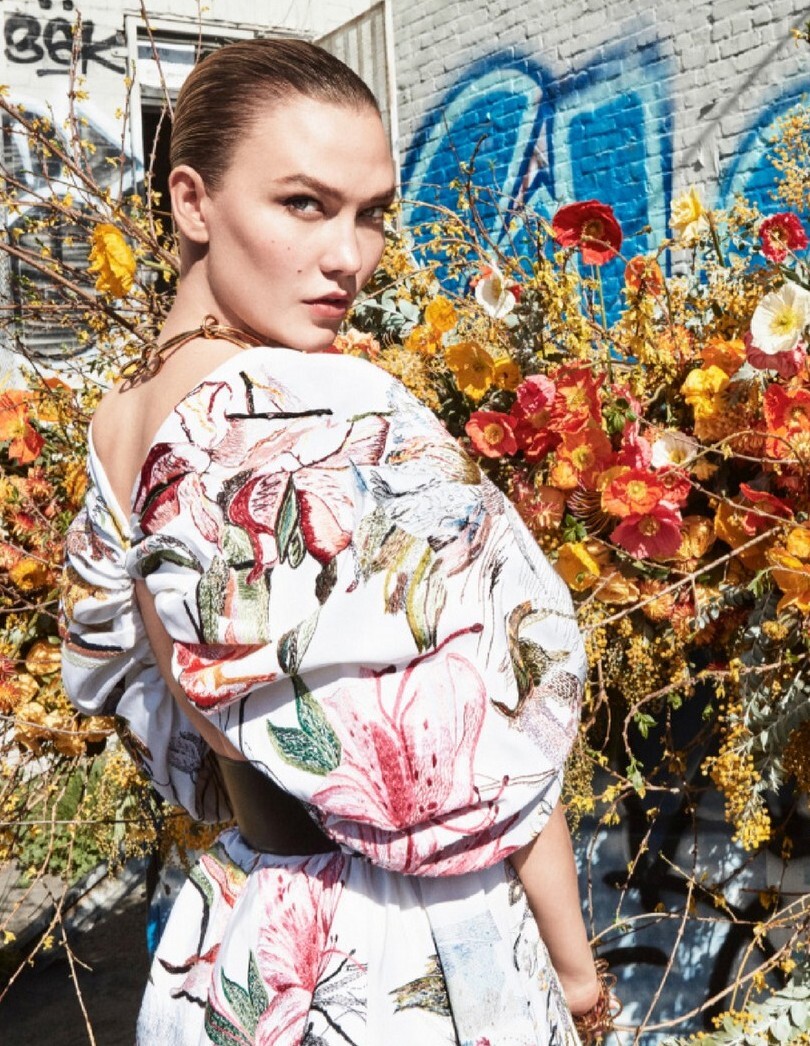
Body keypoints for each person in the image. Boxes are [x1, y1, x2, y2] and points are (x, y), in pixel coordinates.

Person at [60, 37, 615, 1045]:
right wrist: (576, 975)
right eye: (304, 204)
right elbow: (491, 729)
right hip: (402, 949)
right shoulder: (331, 405)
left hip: (242, 934)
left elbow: (143, 697)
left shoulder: (118, 426)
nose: (349, 257)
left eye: (371, 214)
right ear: (192, 202)